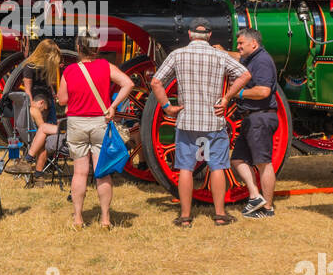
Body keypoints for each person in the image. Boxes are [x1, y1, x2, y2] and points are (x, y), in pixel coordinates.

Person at [149, 18, 251, 228]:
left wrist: (167, 107)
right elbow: (245, 74)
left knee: (185, 168)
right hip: (213, 120)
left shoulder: (178, 55)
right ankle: (220, 214)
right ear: (210, 35)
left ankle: (185, 217)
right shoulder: (219, 55)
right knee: (217, 167)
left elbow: (156, 82)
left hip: (187, 121)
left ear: (189, 34)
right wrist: (227, 98)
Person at [57, 33, 133, 230]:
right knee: (102, 174)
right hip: (100, 121)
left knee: (79, 173)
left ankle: (78, 219)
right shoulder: (106, 67)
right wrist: (114, 105)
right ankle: (106, 219)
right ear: (97, 49)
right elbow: (128, 83)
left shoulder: (70, 70)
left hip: (76, 123)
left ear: (79, 49)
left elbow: (62, 99)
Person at [231, 28, 280, 217]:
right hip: (251, 117)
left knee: (263, 163)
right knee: (237, 159)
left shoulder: (262, 61)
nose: (238, 46)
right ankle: (255, 196)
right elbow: (237, 56)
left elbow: (264, 91)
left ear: (254, 43)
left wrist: (238, 93)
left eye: (241, 43)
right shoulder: (251, 58)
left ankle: (267, 208)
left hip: (261, 116)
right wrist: (220, 52)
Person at [12, 39, 62, 177]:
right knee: (44, 137)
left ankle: (38, 170)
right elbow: (27, 89)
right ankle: (39, 172)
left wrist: (52, 93)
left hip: (47, 99)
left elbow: (47, 83)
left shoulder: (45, 65)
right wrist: (32, 103)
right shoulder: (29, 66)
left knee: (44, 136)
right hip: (39, 99)